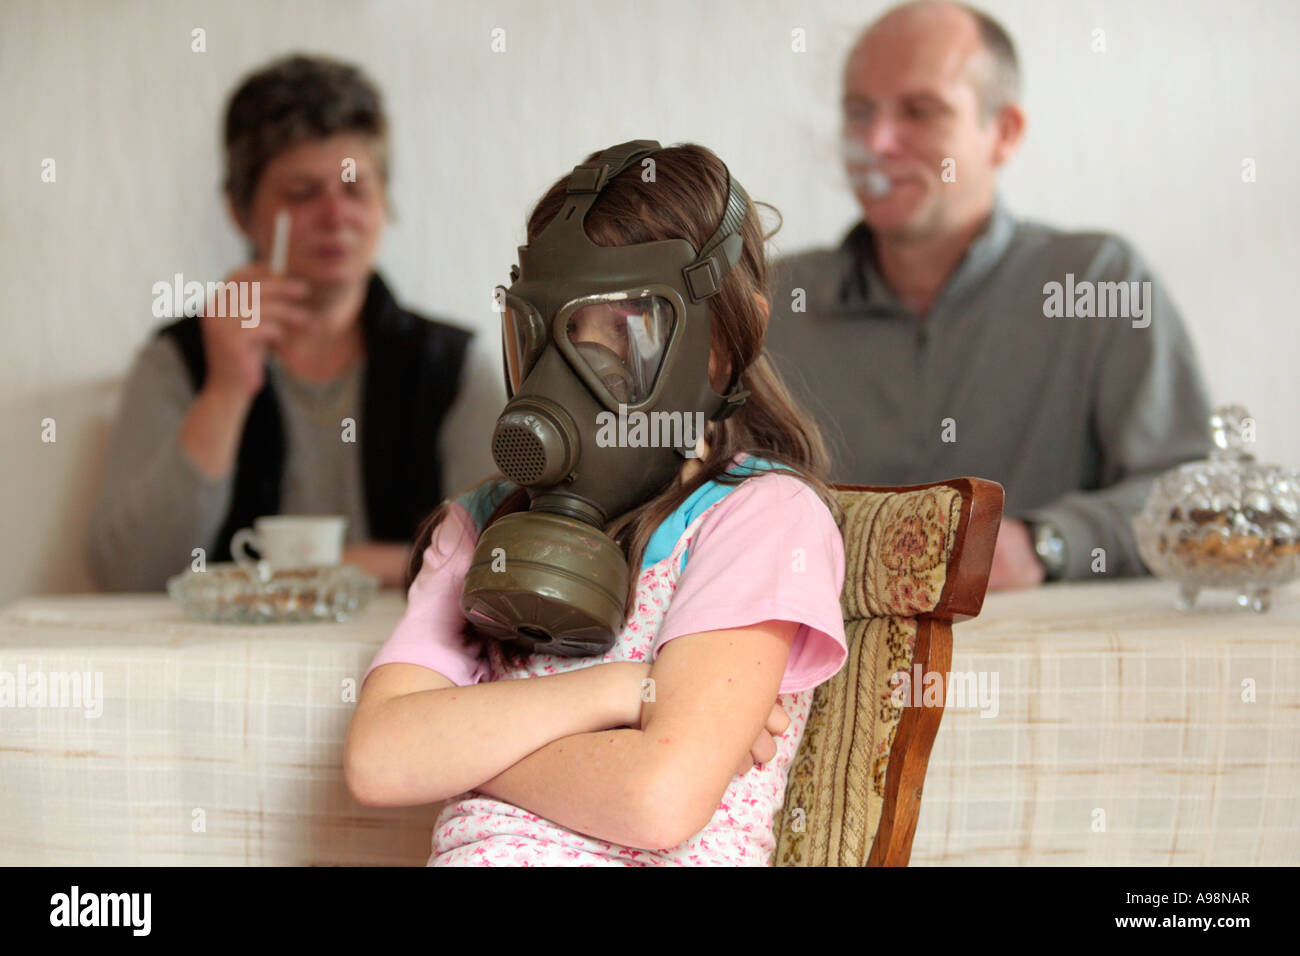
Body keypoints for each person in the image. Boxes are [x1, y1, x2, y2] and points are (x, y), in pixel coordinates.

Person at [344, 142, 849, 865]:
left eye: (620, 335)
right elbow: (379, 760)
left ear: (722, 346)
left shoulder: (761, 520)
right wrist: (628, 689)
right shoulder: (481, 523)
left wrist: (456, 749)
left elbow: (659, 799)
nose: (569, 382)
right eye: (549, 335)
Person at [765, 1, 1214, 588]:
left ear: (1003, 133)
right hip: (820, 670)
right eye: (859, 112)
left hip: (1056, 668)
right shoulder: (772, 302)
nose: (877, 140)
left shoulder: (1098, 281)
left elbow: (1188, 499)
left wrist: (1045, 543)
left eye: (920, 111)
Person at [86, 55, 473, 591]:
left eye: (355, 188)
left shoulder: (453, 368)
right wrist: (225, 390)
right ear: (241, 211)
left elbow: (497, 560)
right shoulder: (177, 362)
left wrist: (328, 567)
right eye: (302, 194)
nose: (336, 216)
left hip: (403, 670)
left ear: (385, 200)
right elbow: (128, 576)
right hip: (219, 666)